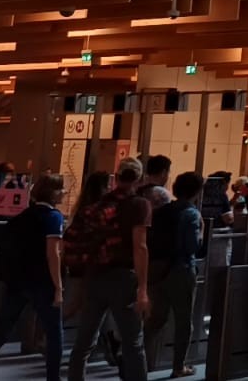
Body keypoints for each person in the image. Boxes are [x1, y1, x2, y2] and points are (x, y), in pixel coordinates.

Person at [0, 174, 67, 381]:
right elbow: (53, 254)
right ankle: (53, 378)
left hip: (17, 282)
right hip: (43, 282)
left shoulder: (22, 217)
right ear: (52, 193)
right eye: (61, 190)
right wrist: (58, 287)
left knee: (0, 331)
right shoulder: (54, 217)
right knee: (54, 333)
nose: (64, 193)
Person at [65, 157, 152, 381]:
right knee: (133, 342)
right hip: (124, 277)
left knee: (85, 339)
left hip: (95, 276)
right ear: (139, 178)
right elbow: (139, 247)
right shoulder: (139, 204)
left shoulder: (100, 205)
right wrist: (142, 288)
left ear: (117, 175)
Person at [145, 171, 205, 378]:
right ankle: (178, 366)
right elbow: (191, 246)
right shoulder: (192, 213)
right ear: (197, 191)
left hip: (158, 270)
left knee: (156, 318)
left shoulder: (162, 211)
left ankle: (139, 358)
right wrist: (201, 233)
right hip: (181, 270)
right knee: (183, 320)